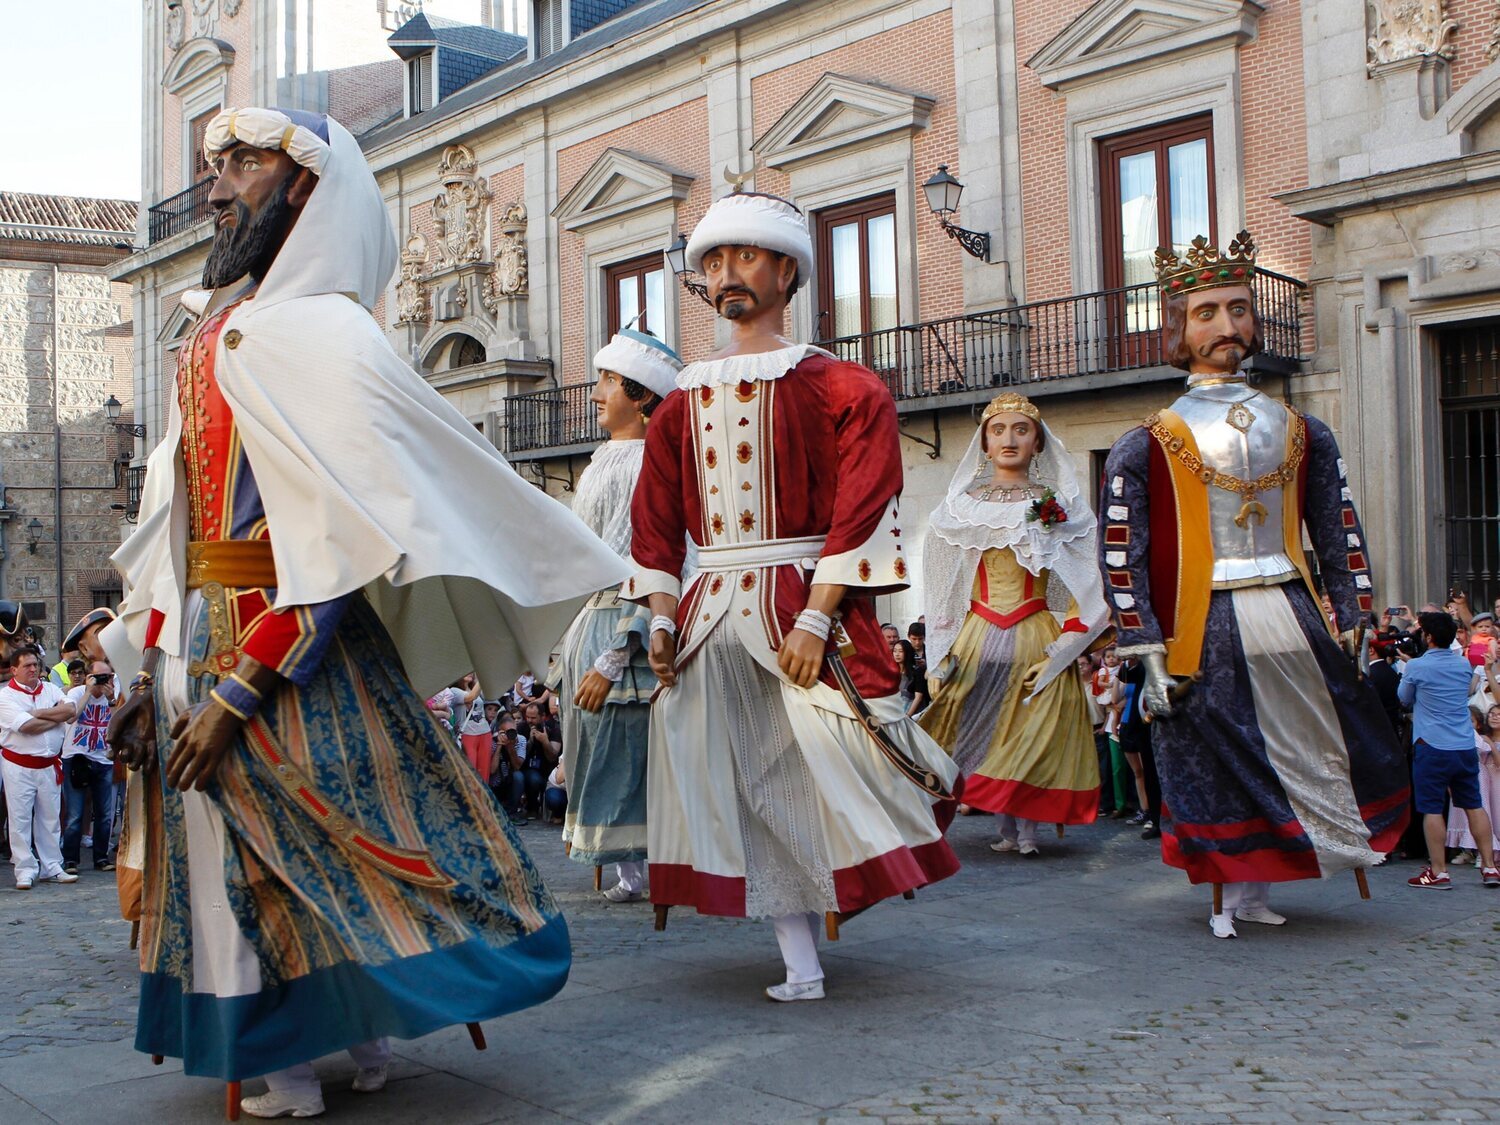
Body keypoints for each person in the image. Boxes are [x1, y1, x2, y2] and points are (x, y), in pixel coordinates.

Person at [100, 107, 630, 1117]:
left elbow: (340, 535)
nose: (217, 188)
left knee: (328, 840)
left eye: (244, 163)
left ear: (308, 187)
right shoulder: (208, 335)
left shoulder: (330, 336)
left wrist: (243, 689)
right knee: (230, 858)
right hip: (200, 637)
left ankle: (299, 1064)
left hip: (287, 647)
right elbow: (169, 520)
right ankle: (344, 1039)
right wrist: (142, 660)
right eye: (215, 164)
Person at [628, 187, 961, 1002]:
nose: (727, 273)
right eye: (713, 260)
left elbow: (864, 502)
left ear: (787, 269)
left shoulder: (842, 387)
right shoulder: (676, 403)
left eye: (745, 256)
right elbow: (657, 516)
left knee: (845, 757)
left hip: (797, 604)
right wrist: (662, 618)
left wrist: (818, 614)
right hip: (711, 615)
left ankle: (834, 913)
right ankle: (800, 961)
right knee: (743, 779)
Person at [1099, 230, 1409, 939]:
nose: (1228, 327)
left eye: (1238, 309)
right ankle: (1226, 891)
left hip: (1291, 610)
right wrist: (1144, 649)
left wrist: (1354, 608)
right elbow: (1122, 556)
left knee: (1304, 745)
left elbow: (1338, 525)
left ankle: (1263, 882)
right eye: (1207, 311)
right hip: (1204, 621)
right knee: (1217, 755)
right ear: (1179, 325)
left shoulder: (1303, 428)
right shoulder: (1148, 440)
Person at [919, 393, 1108, 857]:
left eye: (1021, 430)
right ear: (983, 443)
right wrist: (938, 653)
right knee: (975, 729)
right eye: (998, 430)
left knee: (1029, 731)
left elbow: (1091, 582)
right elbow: (943, 585)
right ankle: (1003, 827)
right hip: (977, 634)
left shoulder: (1060, 505)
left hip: (1035, 635)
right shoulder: (960, 507)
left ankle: (1025, 830)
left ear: (1038, 442)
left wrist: (1067, 646)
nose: (1009, 439)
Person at [549, 329, 681, 903]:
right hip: (593, 619)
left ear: (640, 394)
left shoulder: (641, 463)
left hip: (621, 625)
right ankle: (632, 868)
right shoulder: (607, 457)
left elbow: (646, 558)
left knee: (624, 750)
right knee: (600, 748)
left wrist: (618, 649)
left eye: (607, 381)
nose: (596, 392)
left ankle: (645, 866)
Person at [1398, 613, 1500, 888]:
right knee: (1474, 805)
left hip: (1432, 744)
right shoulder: (1463, 663)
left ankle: (1439, 871)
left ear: (1429, 637)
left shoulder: (1417, 666)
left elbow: (1404, 698)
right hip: (1464, 744)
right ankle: (1490, 867)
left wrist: (1411, 669)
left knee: (1432, 808)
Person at [0, 645, 79, 889]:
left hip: (48, 764)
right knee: (20, 818)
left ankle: (52, 865)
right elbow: (26, 727)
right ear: (14, 670)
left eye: (36, 664)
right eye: (27, 665)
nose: (33, 669)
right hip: (19, 764)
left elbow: (71, 710)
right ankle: (25, 869)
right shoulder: (6, 697)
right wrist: (55, 719)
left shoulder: (51, 689)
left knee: (50, 817)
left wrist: (38, 713)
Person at [61, 660, 119, 873]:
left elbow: (115, 726)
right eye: (100, 677)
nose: (104, 681)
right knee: (75, 813)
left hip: (103, 760)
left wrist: (111, 699)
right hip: (77, 757)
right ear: (88, 676)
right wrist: (88, 690)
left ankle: (101, 858)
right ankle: (70, 860)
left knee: (104, 813)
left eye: (108, 676)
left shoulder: (112, 695)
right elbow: (71, 717)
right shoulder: (75, 693)